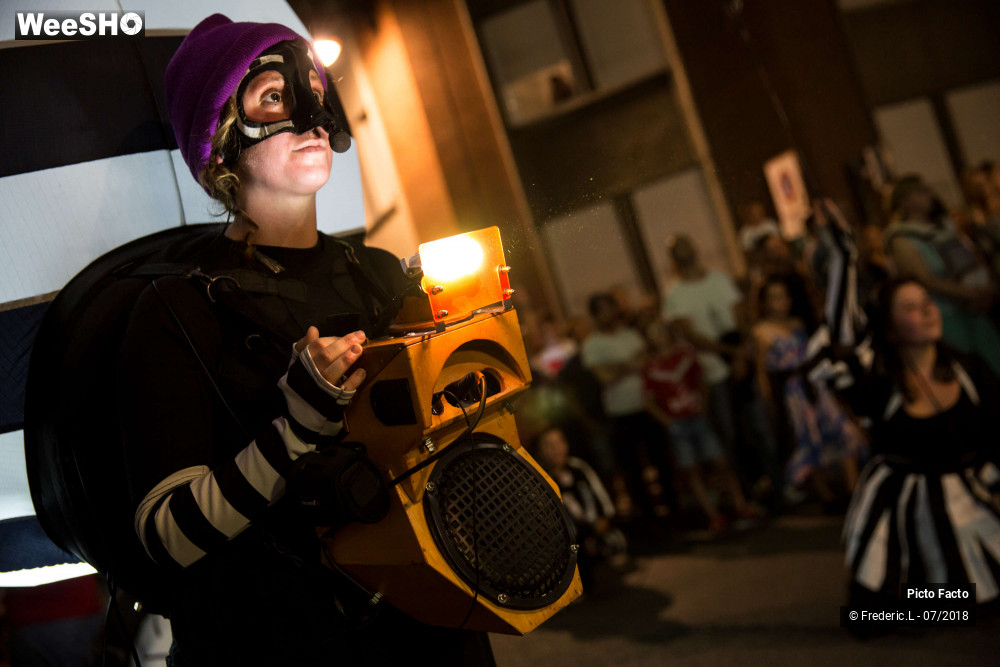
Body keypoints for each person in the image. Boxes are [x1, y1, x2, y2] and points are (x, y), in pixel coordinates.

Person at [119, 15, 494, 665]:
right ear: (218, 140)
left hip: (437, 628)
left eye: (315, 92)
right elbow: (166, 534)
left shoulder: (380, 276)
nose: (310, 115)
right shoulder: (178, 310)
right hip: (287, 642)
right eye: (274, 96)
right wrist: (293, 429)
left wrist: (478, 370)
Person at [834, 279, 1000, 613]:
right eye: (910, 308)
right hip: (903, 505)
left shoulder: (970, 370)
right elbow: (840, 353)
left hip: (967, 496)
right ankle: (924, 599)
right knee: (880, 609)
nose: (927, 312)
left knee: (981, 598)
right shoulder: (879, 382)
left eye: (927, 302)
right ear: (890, 329)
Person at [751, 278, 863, 506]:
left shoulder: (798, 323)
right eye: (775, 297)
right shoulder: (761, 331)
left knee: (842, 429)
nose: (782, 302)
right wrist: (769, 400)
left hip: (814, 383)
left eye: (784, 296)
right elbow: (762, 370)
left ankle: (854, 487)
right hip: (793, 393)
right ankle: (827, 496)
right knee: (809, 438)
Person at [642, 320, 755, 532]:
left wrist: (702, 406)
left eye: (660, 331)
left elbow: (701, 379)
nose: (657, 336)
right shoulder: (651, 367)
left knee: (720, 461)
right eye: (652, 333)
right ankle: (713, 514)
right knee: (692, 470)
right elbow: (648, 400)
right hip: (678, 424)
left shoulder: (685, 354)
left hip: (696, 417)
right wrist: (668, 421)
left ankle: (740, 504)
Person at [885, 174, 1000, 377]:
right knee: (977, 372)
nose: (929, 196)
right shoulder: (901, 238)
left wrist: (986, 288)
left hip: (977, 308)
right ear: (905, 201)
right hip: (949, 316)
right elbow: (925, 280)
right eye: (921, 192)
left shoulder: (943, 227)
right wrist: (972, 294)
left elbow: (973, 256)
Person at [581, 292, 673, 523]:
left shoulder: (631, 335)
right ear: (594, 316)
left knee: (661, 459)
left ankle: (674, 510)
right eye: (602, 310)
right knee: (633, 469)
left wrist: (617, 368)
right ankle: (648, 518)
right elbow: (603, 376)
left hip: (647, 406)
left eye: (610, 307)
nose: (608, 314)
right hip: (620, 412)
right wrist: (630, 364)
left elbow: (646, 361)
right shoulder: (593, 345)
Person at [532, 427, 627, 590]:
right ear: (540, 451)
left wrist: (600, 525)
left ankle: (604, 572)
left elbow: (602, 501)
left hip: (593, 529)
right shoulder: (539, 480)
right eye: (549, 445)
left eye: (559, 442)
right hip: (567, 543)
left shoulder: (578, 467)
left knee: (615, 542)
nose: (556, 449)